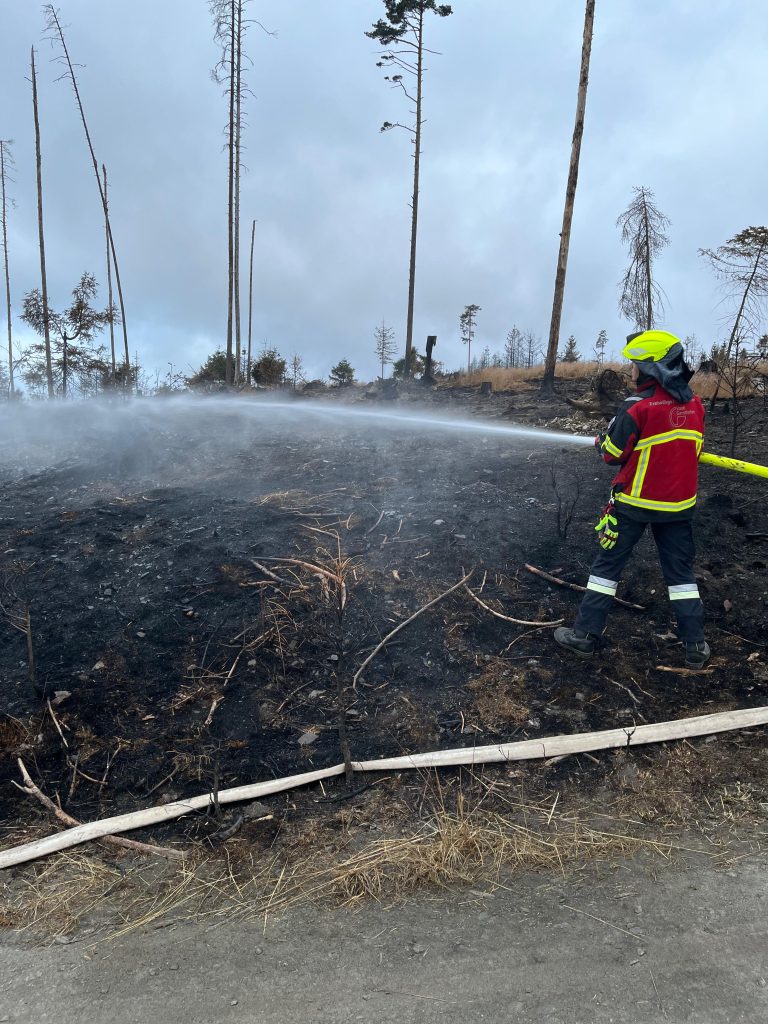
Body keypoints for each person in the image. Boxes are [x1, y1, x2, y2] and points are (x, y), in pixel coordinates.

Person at [554, 329, 710, 668]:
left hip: (635, 505)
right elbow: (693, 450)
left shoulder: (638, 407)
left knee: (606, 569)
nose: (631, 370)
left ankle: (584, 636)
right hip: (679, 507)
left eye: (635, 364)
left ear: (652, 367)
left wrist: (603, 440)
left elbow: (611, 454)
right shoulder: (695, 404)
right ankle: (696, 646)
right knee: (681, 575)